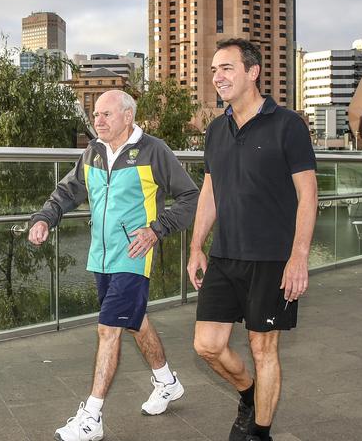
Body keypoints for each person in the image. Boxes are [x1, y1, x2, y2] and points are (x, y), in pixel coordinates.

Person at [29, 89, 198, 441]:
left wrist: (157, 229)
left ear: (127, 117)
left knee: (108, 330)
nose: (98, 120)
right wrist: (45, 217)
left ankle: (92, 417)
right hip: (101, 257)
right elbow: (67, 192)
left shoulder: (153, 151)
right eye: (95, 115)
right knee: (134, 321)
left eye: (106, 114)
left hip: (134, 256)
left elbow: (191, 196)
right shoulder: (92, 152)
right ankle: (167, 382)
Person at [187, 39, 318, 441]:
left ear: (252, 72)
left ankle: (260, 432)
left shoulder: (287, 124)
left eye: (226, 68)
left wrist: (298, 256)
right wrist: (196, 246)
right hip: (225, 254)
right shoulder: (216, 129)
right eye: (213, 70)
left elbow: (308, 194)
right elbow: (210, 190)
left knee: (263, 350)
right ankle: (249, 395)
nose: (217, 77)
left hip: (271, 258)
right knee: (206, 345)